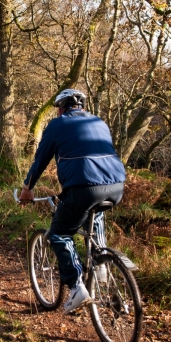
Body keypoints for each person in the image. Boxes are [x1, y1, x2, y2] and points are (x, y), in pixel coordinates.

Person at [20, 89, 126, 314]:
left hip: (83, 188)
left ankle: (77, 287)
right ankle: (101, 265)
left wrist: (27, 189)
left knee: (60, 233)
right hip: (117, 186)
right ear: (82, 106)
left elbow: (41, 160)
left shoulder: (57, 125)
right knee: (93, 214)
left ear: (61, 108)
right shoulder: (100, 122)